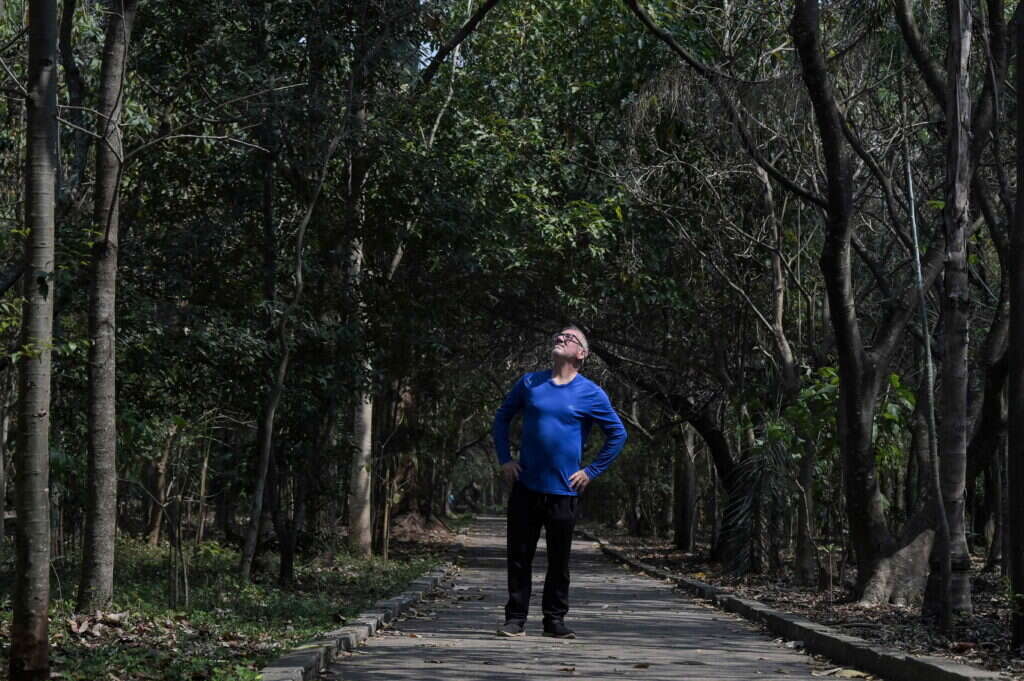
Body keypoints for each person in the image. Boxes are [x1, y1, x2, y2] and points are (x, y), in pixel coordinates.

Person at [492, 326, 627, 639]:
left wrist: (591, 471)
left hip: (564, 491)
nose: (561, 338)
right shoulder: (530, 383)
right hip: (526, 486)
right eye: (559, 335)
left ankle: (554, 621)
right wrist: (504, 459)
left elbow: (618, 434)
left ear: (582, 354)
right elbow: (502, 418)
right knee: (519, 556)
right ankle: (515, 619)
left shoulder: (591, 393)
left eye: (570, 338)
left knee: (559, 560)